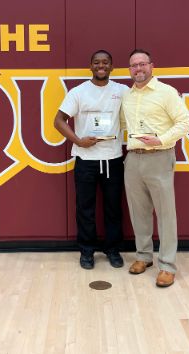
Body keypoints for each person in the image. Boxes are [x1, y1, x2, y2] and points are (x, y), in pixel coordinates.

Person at [121, 49, 189, 287]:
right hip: (133, 158)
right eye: (134, 65)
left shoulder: (167, 93)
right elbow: (123, 125)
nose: (138, 69)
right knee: (138, 212)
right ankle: (143, 256)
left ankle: (167, 265)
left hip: (160, 157)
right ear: (129, 69)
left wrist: (161, 140)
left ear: (152, 66)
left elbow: (186, 123)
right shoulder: (127, 96)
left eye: (142, 64)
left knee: (165, 214)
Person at [54, 50, 129, 269]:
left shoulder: (122, 91)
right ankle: (87, 251)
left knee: (113, 208)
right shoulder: (78, 92)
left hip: (113, 159)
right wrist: (78, 140)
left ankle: (113, 249)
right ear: (90, 66)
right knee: (85, 208)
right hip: (85, 160)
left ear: (112, 67)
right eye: (96, 62)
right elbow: (58, 121)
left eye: (105, 62)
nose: (101, 66)